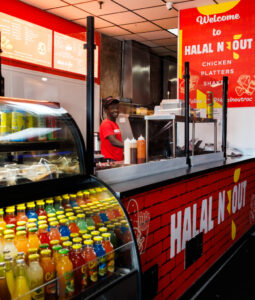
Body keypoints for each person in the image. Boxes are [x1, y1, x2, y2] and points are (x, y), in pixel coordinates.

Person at [99, 96, 124, 161]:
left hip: (117, 160)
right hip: (110, 160)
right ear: (105, 110)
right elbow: (113, 141)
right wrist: (130, 146)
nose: (115, 110)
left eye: (117, 108)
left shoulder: (114, 124)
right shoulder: (106, 124)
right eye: (112, 108)